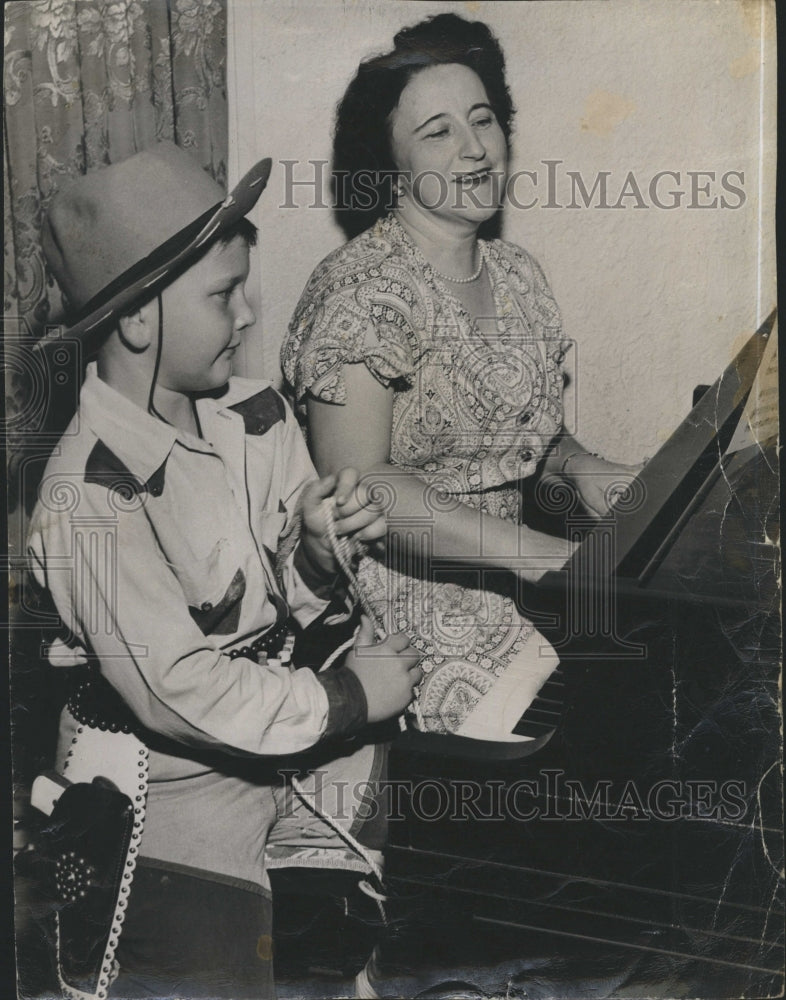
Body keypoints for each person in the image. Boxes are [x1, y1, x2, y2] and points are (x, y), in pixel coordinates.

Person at [26, 142, 422, 1000]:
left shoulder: (257, 416)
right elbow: (177, 692)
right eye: (222, 296)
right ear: (136, 319)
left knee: (342, 952)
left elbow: (288, 602)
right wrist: (350, 699)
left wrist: (317, 552)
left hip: (287, 742)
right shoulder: (86, 500)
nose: (248, 317)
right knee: (224, 981)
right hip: (164, 787)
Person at [282, 13, 637, 743]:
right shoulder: (362, 295)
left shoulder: (516, 274)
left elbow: (519, 430)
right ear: (391, 164)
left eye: (483, 119)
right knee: (610, 751)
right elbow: (363, 488)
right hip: (399, 623)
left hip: (525, 587)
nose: (474, 147)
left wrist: (582, 466)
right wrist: (542, 556)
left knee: (656, 693)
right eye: (437, 131)